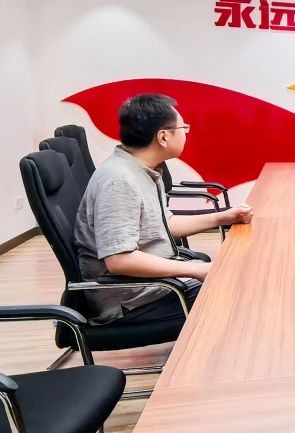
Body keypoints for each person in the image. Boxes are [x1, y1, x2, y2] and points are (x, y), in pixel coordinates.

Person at [74, 94, 253, 325]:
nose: (186, 133)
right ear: (163, 137)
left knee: (242, 276)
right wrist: (194, 271)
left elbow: (163, 224)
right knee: (244, 290)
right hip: (133, 300)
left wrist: (222, 217)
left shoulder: (143, 168)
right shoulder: (120, 181)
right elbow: (119, 260)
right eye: (183, 128)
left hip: (152, 285)